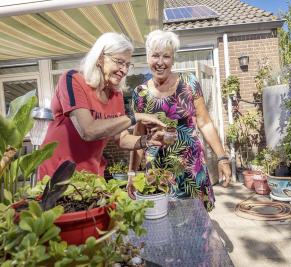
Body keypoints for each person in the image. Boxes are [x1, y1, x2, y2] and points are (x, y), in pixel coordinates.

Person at [127, 30, 231, 211]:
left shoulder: (189, 83)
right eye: (155, 56)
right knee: (162, 219)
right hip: (157, 171)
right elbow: (138, 135)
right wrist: (132, 172)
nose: (160, 62)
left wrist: (222, 158)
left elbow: (205, 122)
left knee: (196, 221)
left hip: (191, 167)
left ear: (173, 59)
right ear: (147, 58)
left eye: (166, 56)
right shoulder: (140, 93)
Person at [38, 32, 165, 179]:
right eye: (119, 62)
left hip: (91, 176)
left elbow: (122, 138)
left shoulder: (115, 95)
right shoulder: (72, 80)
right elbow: (88, 130)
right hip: (56, 176)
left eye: (127, 65)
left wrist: (148, 140)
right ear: (100, 58)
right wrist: (136, 117)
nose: (124, 70)